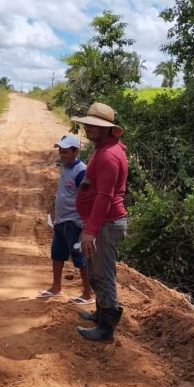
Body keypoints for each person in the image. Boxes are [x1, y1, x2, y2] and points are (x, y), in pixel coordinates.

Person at [72, 102, 128, 342]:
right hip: (102, 223)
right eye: (87, 123)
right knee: (97, 273)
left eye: (95, 125)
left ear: (107, 128)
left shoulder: (108, 155)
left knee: (103, 275)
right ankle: (102, 313)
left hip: (106, 224)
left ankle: (106, 328)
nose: (88, 128)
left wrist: (91, 230)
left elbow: (105, 196)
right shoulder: (104, 148)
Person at [36, 134, 92, 304]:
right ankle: (56, 287)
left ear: (76, 151)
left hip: (74, 223)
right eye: (60, 151)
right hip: (61, 221)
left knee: (80, 258)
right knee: (57, 254)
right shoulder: (65, 168)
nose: (62, 155)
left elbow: (87, 198)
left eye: (66, 152)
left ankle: (88, 294)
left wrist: (86, 224)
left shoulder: (81, 171)